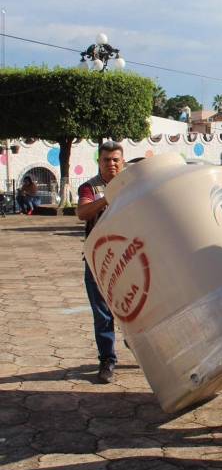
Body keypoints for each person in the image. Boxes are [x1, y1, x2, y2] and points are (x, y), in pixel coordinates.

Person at [76, 141, 125, 383]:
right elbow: (82, 213)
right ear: (99, 162)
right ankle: (107, 359)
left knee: (136, 308)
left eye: (116, 159)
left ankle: (141, 348)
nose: (111, 164)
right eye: (106, 160)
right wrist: (107, 198)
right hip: (99, 260)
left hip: (131, 257)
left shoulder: (132, 184)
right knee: (103, 313)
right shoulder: (89, 187)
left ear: (123, 161)